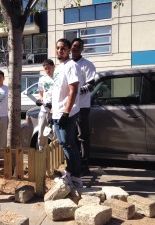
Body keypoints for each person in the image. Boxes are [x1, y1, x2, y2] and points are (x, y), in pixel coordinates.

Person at [51, 38, 83, 188]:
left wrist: (66, 113)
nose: (59, 51)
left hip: (66, 113)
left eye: (63, 48)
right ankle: (70, 173)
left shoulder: (71, 66)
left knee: (69, 144)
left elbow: (73, 90)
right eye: (58, 48)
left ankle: (76, 177)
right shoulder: (58, 68)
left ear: (69, 49)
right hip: (57, 112)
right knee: (65, 144)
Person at [71, 38, 96, 175]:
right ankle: (74, 162)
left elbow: (91, 84)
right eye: (73, 46)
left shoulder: (87, 65)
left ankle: (85, 164)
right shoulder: (67, 64)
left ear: (82, 49)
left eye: (77, 46)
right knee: (71, 136)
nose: (75, 48)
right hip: (69, 106)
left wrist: (76, 91)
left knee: (82, 136)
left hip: (82, 106)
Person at [36, 59, 55, 151]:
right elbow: (41, 93)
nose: (47, 70)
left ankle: (54, 153)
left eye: (49, 68)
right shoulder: (42, 79)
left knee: (55, 133)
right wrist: (39, 100)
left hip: (56, 110)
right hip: (44, 109)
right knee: (41, 131)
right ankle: (41, 151)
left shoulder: (58, 78)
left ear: (53, 67)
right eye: (45, 69)